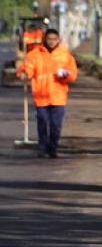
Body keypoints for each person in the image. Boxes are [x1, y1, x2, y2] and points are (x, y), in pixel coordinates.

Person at [16, 28, 78, 158]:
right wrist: (25, 73)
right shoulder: (35, 54)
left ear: (58, 40)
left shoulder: (65, 56)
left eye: (54, 39)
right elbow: (27, 68)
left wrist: (66, 75)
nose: (51, 42)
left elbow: (73, 75)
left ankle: (53, 148)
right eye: (49, 39)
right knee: (42, 122)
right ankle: (43, 147)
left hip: (58, 97)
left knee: (56, 125)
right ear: (45, 39)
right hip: (41, 96)